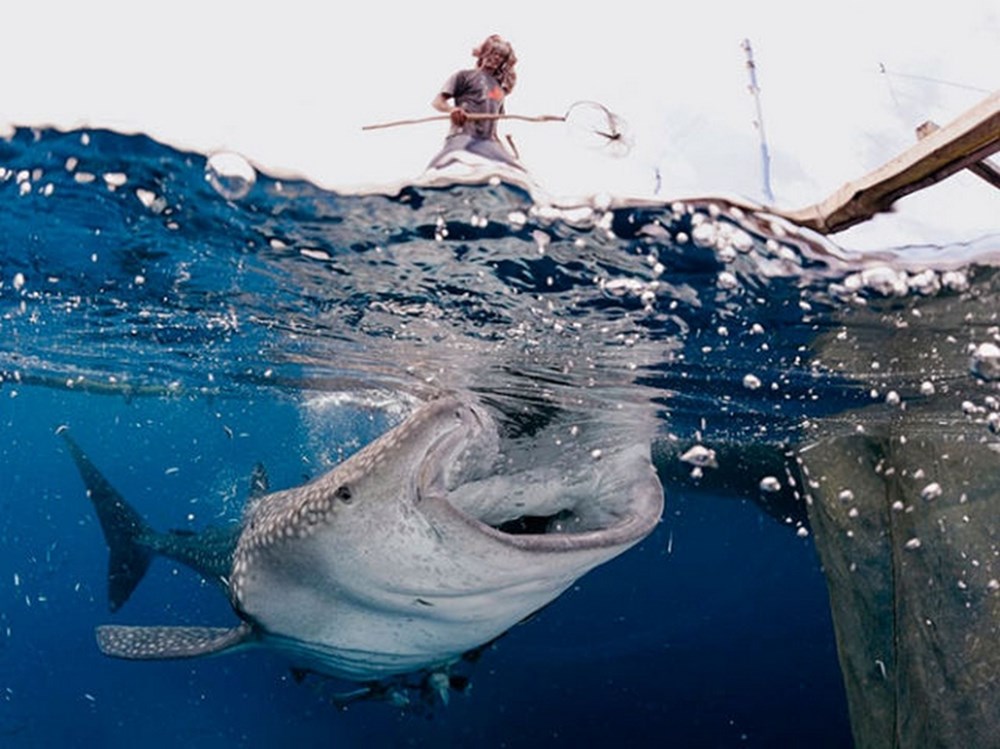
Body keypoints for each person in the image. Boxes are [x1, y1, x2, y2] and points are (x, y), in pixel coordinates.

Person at [428, 35, 523, 170]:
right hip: (463, 135)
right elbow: (438, 102)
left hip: (487, 142)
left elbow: (494, 128)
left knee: (513, 170)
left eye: (501, 56)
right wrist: (452, 110)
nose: (496, 58)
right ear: (484, 53)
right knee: (445, 165)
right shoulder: (464, 76)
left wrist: (503, 151)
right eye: (494, 53)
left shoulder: (499, 91)